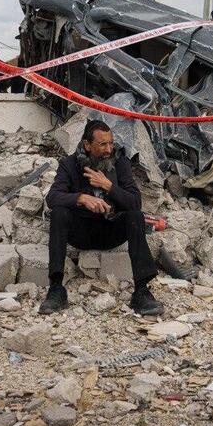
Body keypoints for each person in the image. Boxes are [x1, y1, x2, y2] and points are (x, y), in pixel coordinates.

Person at [40, 120, 163, 316]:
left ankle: (142, 291)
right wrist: (81, 198)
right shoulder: (69, 165)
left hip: (110, 230)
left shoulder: (120, 163)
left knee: (135, 216)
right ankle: (56, 289)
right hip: (80, 232)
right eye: (102, 144)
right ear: (88, 145)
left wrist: (109, 187)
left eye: (111, 143)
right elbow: (53, 197)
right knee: (59, 213)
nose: (109, 149)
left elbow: (135, 202)